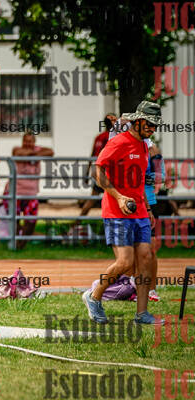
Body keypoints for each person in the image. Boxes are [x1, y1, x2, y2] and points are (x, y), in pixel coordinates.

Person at [83, 101, 163, 325]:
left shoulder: (144, 146)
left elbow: (138, 182)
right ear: (137, 122)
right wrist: (119, 197)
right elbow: (96, 170)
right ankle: (94, 296)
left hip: (140, 211)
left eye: (155, 125)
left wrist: (148, 208)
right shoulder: (118, 142)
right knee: (126, 262)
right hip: (116, 211)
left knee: (145, 258)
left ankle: (142, 314)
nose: (152, 128)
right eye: (149, 124)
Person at [2, 131, 53, 249]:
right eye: (25, 141)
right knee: (14, 220)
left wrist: (33, 153)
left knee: (31, 221)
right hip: (14, 192)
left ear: (34, 142)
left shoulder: (35, 150)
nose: (27, 143)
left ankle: (21, 245)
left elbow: (50, 152)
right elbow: (19, 154)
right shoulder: (17, 149)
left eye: (30, 141)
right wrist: (37, 153)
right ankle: (14, 245)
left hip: (31, 193)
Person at [79, 113, 117, 217]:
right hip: (106, 173)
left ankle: (78, 221)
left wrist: (87, 173)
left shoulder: (99, 137)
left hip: (98, 171)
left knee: (92, 199)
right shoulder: (110, 137)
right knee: (114, 198)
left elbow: (92, 156)